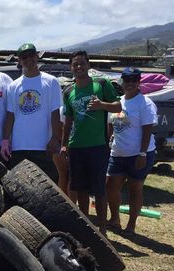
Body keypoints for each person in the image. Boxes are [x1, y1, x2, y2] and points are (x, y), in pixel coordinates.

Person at [62, 50, 121, 234]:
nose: (79, 67)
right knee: (80, 190)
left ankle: (102, 229)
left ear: (88, 64)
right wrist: (64, 143)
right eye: (75, 64)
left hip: (98, 146)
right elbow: (68, 120)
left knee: (99, 189)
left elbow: (118, 106)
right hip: (76, 146)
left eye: (82, 63)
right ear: (71, 67)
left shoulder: (101, 84)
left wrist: (101, 105)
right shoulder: (68, 91)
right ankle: (87, 229)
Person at [106, 67, 157, 234]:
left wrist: (142, 153)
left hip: (138, 154)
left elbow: (147, 130)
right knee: (110, 187)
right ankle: (115, 220)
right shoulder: (118, 101)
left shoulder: (145, 103)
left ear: (138, 82)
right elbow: (111, 123)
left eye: (133, 80)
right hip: (118, 152)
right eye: (126, 80)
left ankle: (131, 225)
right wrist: (110, 138)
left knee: (135, 189)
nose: (129, 84)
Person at [1, 43, 62, 181]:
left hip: (44, 147)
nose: (28, 59)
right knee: (21, 187)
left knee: (47, 189)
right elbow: (10, 116)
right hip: (19, 147)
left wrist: (55, 138)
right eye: (24, 57)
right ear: (20, 61)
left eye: (31, 55)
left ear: (36, 56)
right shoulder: (13, 86)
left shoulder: (51, 82)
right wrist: (5, 140)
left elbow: (55, 113)